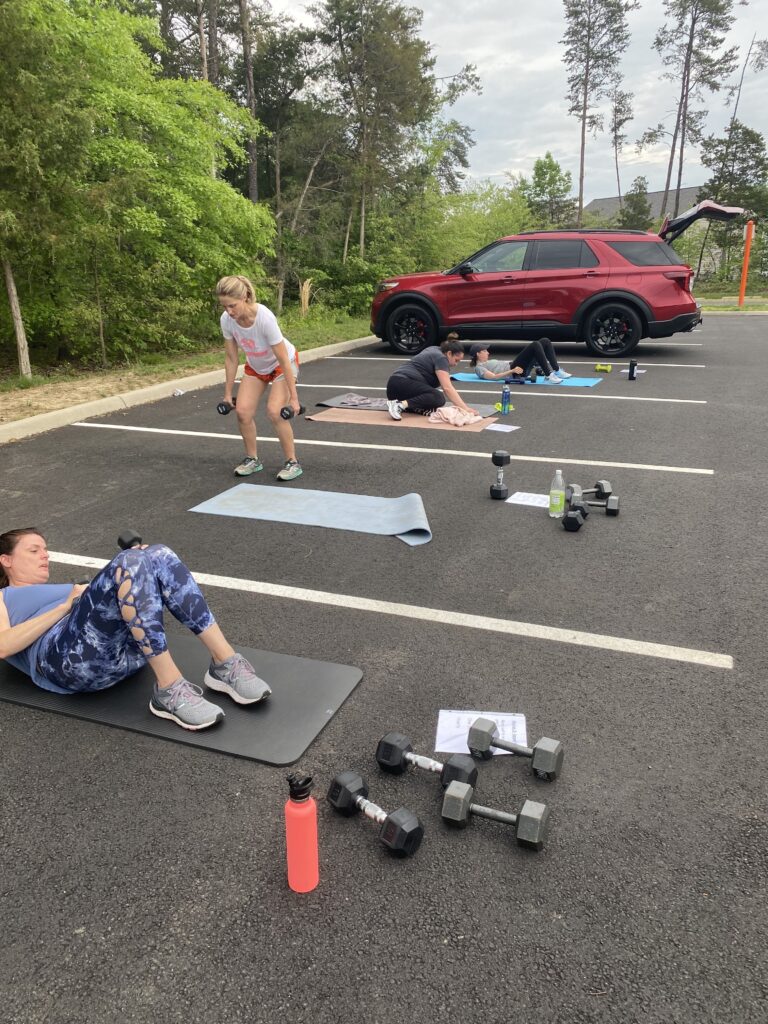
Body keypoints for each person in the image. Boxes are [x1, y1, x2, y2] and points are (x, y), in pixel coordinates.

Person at [0, 528, 271, 732]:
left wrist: (143, 564)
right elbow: (3, 646)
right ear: (6, 560)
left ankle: (224, 664)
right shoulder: (4, 596)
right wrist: (64, 607)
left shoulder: (59, 589)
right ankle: (169, 688)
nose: (45, 555)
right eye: (34, 550)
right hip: (70, 662)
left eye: (46, 550)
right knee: (130, 560)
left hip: (123, 654)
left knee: (157, 554)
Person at [216, 275, 303, 481]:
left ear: (245, 297)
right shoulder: (227, 320)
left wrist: (294, 398)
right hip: (256, 366)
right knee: (243, 412)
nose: (229, 311)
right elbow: (231, 357)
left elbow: (283, 358)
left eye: (233, 306)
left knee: (274, 412)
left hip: (282, 365)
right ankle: (252, 459)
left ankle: (292, 462)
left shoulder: (264, 318)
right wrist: (228, 393)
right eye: (225, 306)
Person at [385, 338, 479, 420]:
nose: (456, 364)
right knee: (438, 398)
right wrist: (465, 409)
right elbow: (447, 388)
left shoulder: (434, 349)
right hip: (401, 384)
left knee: (432, 398)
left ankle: (404, 405)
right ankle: (400, 405)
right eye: (456, 360)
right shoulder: (441, 358)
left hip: (394, 387)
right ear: (449, 353)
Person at [469, 339, 572, 383]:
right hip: (515, 372)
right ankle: (549, 375)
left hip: (515, 366)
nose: (488, 352)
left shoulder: (486, 362)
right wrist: (512, 371)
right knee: (535, 344)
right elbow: (493, 377)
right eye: (485, 351)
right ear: (478, 354)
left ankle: (557, 370)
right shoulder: (479, 368)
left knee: (545, 341)